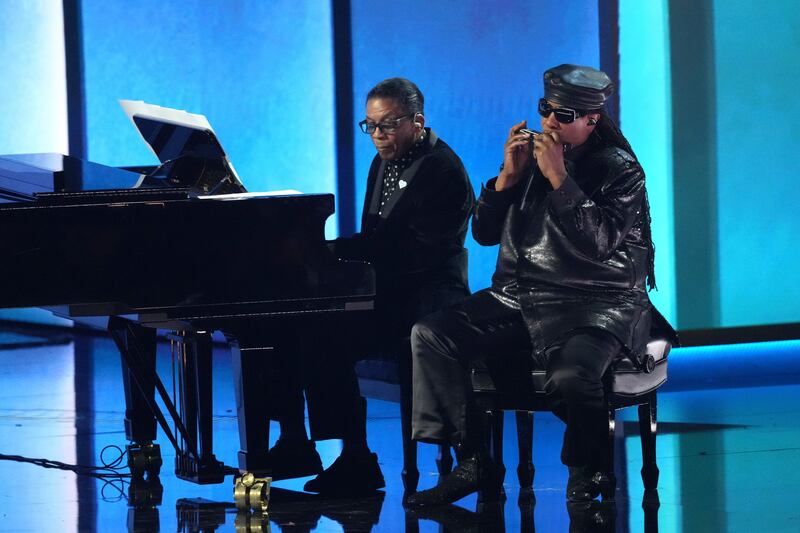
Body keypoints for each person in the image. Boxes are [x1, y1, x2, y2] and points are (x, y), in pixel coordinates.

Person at [405, 64, 665, 506]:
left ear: (591, 120)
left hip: (596, 301)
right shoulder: (531, 159)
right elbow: (484, 234)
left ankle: (590, 469)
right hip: (519, 296)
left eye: (564, 115)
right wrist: (507, 177)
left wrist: (560, 178)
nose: (549, 123)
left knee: (572, 375)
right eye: (546, 109)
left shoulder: (619, 170)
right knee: (432, 335)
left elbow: (599, 241)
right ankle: (472, 461)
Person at [268, 77, 476, 495]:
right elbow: (376, 239)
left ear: (418, 121)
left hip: (430, 296)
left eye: (387, 125)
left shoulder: (444, 172)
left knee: (328, 334)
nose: (377, 136)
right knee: (298, 325)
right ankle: (303, 442)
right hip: (390, 286)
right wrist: (330, 254)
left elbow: (416, 257)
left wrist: (333, 252)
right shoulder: (385, 158)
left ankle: (356, 459)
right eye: (370, 126)